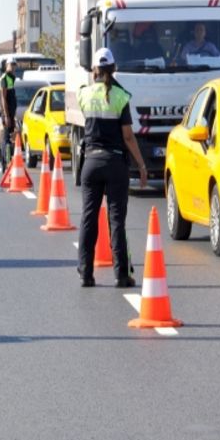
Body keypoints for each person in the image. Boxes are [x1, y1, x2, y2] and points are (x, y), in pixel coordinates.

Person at [76, 48, 147, 288]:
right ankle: (121, 274)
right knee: (117, 220)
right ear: (114, 68)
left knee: (89, 217)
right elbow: (128, 137)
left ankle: (86, 273)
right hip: (115, 163)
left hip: (91, 162)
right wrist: (141, 164)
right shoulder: (121, 97)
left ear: (94, 70)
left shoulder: (84, 95)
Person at [0, 58, 18, 171]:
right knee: (6, 139)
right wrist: (6, 116)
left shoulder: (11, 78)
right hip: (7, 114)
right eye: (12, 64)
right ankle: (5, 164)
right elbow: (3, 98)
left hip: (11, 113)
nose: (14, 66)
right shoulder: (4, 78)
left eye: (15, 64)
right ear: (6, 65)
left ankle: (8, 162)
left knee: (9, 138)